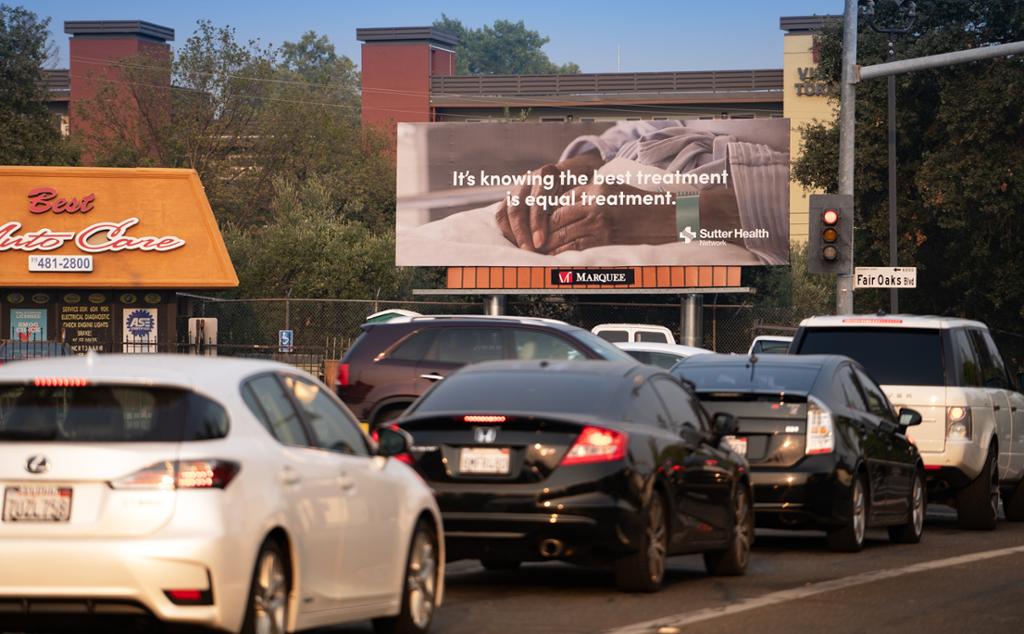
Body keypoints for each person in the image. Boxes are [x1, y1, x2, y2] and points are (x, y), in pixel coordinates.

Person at [494, 120, 789, 264]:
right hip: (611, 185)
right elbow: (642, 125)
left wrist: (672, 217)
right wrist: (576, 166)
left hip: (719, 221)